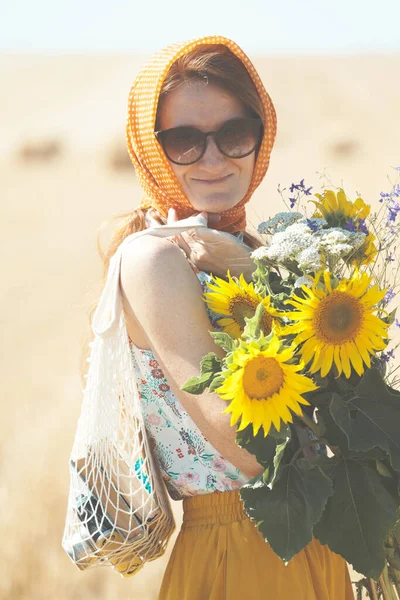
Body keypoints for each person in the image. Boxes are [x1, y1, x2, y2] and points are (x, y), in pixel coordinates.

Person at [98, 35, 354, 600]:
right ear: (150, 147)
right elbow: (246, 444)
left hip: (308, 540)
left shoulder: (250, 251)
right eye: (184, 140)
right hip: (242, 548)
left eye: (234, 134)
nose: (214, 160)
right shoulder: (154, 260)